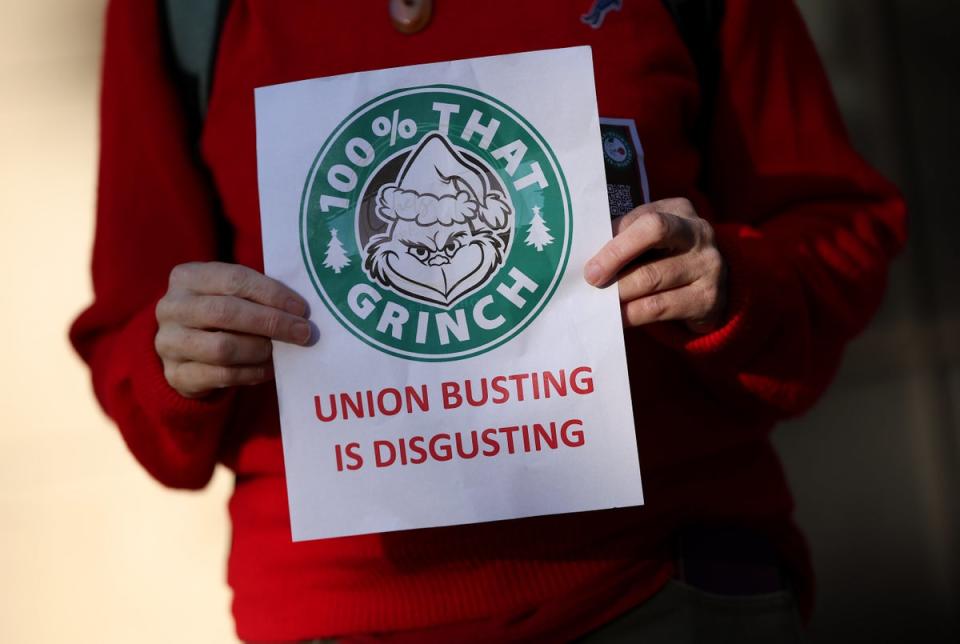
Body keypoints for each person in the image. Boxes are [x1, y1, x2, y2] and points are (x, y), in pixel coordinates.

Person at [70, 0, 907, 641]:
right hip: (337, 617)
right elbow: (130, 342)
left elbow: (840, 229)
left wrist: (732, 281)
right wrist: (178, 353)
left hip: (665, 588)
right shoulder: (180, 12)